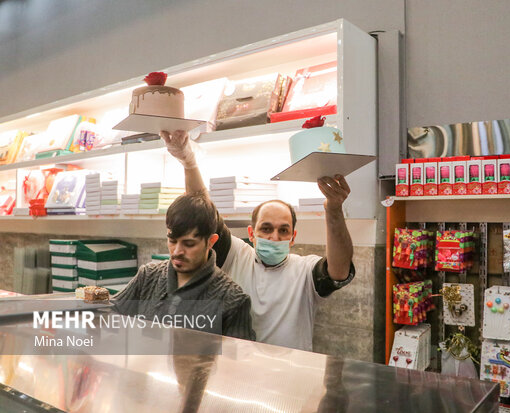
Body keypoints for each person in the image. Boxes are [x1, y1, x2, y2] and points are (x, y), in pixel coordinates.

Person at [160, 129, 355, 351]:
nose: (274, 237)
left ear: (293, 237)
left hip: (291, 377)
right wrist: (189, 163)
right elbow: (205, 215)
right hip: (239, 375)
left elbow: (339, 271)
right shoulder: (237, 256)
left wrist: (334, 209)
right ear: (251, 234)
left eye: (283, 230)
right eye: (266, 229)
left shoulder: (305, 271)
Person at [114, 192, 255, 341]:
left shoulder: (233, 300)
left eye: (189, 244)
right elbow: (107, 315)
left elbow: (237, 360)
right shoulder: (147, 277)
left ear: (211, 241)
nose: (177, 252)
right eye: (172, 241)